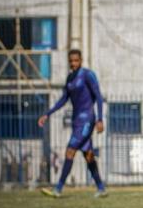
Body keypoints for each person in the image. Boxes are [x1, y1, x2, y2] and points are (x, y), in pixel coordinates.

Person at [38, 49, 107, 198]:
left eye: (76, 61)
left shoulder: (88, 75)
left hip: (87, 119)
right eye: (71, 61)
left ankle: (58, 189)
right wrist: (47, 114)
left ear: (81, 60)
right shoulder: (70, 78)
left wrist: (100, 119)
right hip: (77, 122)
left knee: (70, 151)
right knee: (88, 155)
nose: (73, 64)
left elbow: (98, 97)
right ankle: (101, 188)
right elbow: (63, 99)